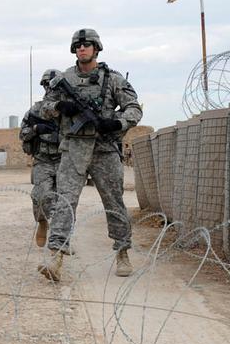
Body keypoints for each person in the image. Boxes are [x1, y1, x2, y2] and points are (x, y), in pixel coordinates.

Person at [37, 28, 142, 281]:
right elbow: (42, 108)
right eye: (78, 46)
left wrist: (116, 123)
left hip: (104, 149)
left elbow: (134, 108)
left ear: (96, 48)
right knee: (64, 202)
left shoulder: (113, 79)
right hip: (73, 148)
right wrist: (60, 106)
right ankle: (56, 256)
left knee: (114, 203)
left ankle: (122, 252)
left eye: (87, 45)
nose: (82, 49)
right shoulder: (63, 79)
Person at [20, 68, 63, 248]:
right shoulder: (35, 110)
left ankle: (62, 238)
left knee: (65, 201)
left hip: (64, 158)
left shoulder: (68, 109)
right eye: (46, 85)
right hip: (43, 159)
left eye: (53, 86)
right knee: (41, 196)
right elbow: (23, 134)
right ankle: (43, 222)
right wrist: (36, 129)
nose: (49, 89)